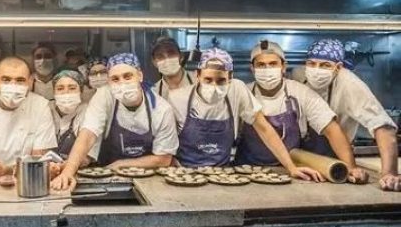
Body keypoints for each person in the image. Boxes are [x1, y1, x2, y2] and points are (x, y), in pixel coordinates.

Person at [167, 48, 323, 180]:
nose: (214, 86)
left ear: (231, 78)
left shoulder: (237, 90)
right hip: (183, 175)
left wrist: (291, 168)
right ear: (197, 76)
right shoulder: (177, 98)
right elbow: (165, 144)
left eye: (221, 81)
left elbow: (264, 128)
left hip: (221, 175)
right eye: (208, 80)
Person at [234, 40, 368, 183]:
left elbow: (331, 129)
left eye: (273, 64)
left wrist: (351, 167)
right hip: (245, 171)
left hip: (290, 171)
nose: (267, 69)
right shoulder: (243, 93)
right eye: (261, 65)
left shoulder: (301, 92)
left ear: (283, 66)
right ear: (252, 68)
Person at [51, 53, 179, 191]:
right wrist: (68, 171)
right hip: (108, 177)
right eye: (115, 79)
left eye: (128, 76)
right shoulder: (105, 96)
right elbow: (88, 134)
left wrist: (121, 164)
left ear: (140, 76)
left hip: (151, 181)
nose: (122, 83)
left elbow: (164, 158)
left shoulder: (161, 109)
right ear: (109, 82)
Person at [293, 38, 400, 191]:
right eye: (311, 63)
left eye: (325, 65)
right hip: (300, 158)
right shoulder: (298, 74)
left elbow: (383, 127)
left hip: (336, 160)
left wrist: (389, 173)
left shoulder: (349, 84)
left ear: (338, 67)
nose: (316, 69)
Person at [50, 69, 88, 160]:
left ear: (81, 92)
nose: (66, 92)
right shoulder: (46, 109)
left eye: (72, 88)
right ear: (54, 93)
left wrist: (64, 167)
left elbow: (86, 157)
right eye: (60, 88)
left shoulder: (88, 111)